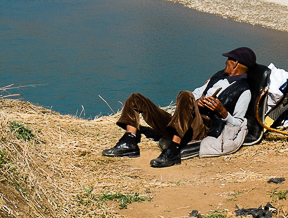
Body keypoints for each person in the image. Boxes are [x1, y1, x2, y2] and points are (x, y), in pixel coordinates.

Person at [102, 46, 256, 168]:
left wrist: (222, 111)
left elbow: (238, 123)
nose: (225, 62)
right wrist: (197, 101)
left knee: (185, 95)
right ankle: (129, 142)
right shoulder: (219, 76)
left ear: (235, 63)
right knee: (136, 99)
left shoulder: (244, 91)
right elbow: (196, 93)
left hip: (202, 128)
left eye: (229, 59)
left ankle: (174, 149)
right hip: (183, 122)